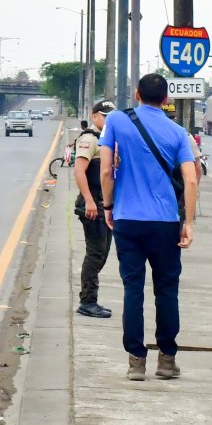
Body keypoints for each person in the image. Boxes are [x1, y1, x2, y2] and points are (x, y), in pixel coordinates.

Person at [99, 74, 198, 382]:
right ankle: (167, 360)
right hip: (165, 222)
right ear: (166, 100)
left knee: (133, 289)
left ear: (137, 94)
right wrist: (189, 223)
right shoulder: (179, 132)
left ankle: (136, 362)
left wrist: (108, 206)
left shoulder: (116, 120)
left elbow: (105, 170)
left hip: (128, 219)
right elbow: (192, 179)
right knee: (166, 291)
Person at [74, 100, 117, 319]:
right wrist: (89, 201)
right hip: (92, 204)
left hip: (103, 204)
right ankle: (88, 301)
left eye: (111, 116)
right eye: (103, 115)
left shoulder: (106, 140)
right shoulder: (89, 139)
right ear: (94, 116)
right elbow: (79, 171)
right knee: (95, 254)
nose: (107, 120)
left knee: (101, 254)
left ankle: (90, 299)